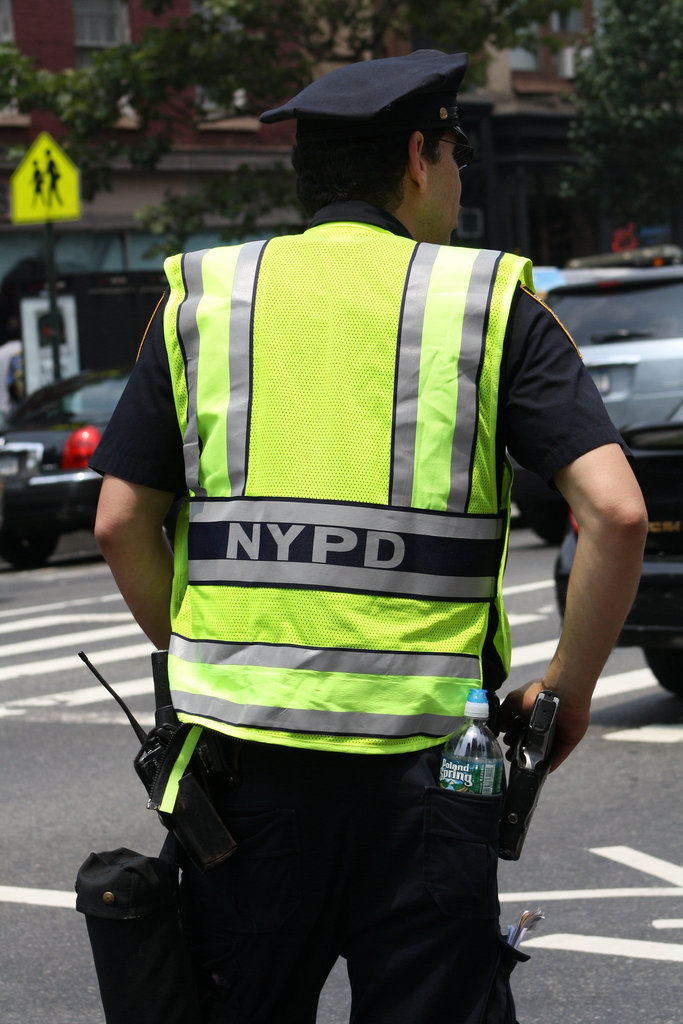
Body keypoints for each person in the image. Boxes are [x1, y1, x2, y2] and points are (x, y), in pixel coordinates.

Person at [91, 49, 647, 1024]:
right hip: (431, 775)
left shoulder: (203, 301)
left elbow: (119, 521)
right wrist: (565, 688)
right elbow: (613, 511)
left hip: (241, 776)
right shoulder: (483, 302)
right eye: (455, 153)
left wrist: (204, 649)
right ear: (416, 158)